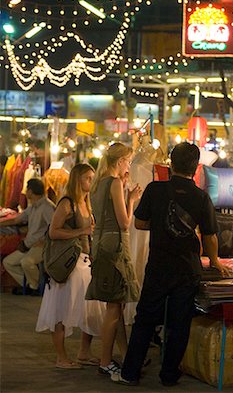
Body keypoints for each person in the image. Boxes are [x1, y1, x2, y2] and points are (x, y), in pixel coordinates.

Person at [112, 142, 230, 387]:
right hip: (187, 269)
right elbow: (210, 236)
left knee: (144, 319)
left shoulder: (155, 190)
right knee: (179, 324)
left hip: (158, 265)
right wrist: (216, 261)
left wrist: (160, 226)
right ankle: (168, 375)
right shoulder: (201, 196)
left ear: (171, 164)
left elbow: (139, 224)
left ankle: (130, 373)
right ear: (195, 168)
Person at [36, 163, 106, 369]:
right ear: (77, 180)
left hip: (84, 262)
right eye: (87, 178)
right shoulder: (67, 203)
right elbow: (53, 232)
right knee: (61, 310)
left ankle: (84, 352)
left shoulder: (87, 202)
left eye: (92, 177)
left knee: (90, 309)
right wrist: (81, 231)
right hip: (68, 264)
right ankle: (61, 357)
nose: (91, 182)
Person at [85, 142, 142, 377]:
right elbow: (125, 222)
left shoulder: (98, 184)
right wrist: (132, 199)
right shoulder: (114, 183)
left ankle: (123, 354)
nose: (129, 165)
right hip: (114, 246)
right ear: (120, 162)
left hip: (99, 244)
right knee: (113, 307)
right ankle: (106, 361)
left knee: (114, 303)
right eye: (128, 161)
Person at [2, 178, 55, 295]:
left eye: (27, 189)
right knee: (8, 262)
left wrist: (44, 241)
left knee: (27, 262)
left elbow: (53, 227)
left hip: (41, 245)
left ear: (31, 191)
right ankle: (28, 284)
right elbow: (16, 220)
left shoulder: (47, 207)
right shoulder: (33, 207)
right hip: (29, 245)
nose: (26, 192)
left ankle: (36, 286)